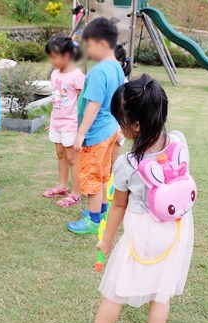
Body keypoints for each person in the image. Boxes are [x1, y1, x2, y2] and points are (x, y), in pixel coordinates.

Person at [64, 75, 195, 323]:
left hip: (143, 235)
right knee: (161, 291)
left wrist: (107, 239)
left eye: (121, 123)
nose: (120, 129)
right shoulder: (178, 141)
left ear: (135, 126)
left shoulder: (127, 164)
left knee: (115, 289)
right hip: (176, 230)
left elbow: (118, 206)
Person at [67, 18, 125, 234]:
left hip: (96, 132)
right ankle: (101, 210)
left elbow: (93, 105)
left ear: (101, 44)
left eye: (88, 45)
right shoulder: (117, 68)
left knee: (91, 176)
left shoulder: (99, 72)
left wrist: (81, 133)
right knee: (102, 174)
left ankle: (93, 221)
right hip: (110, 129)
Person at [43, 35, 86, 208]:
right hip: (57, 123)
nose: (51, 61)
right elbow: (57, 101)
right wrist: (52, 122)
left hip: (71, 124)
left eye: (54, 57)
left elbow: (85, 101)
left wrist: (82, 128)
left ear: (67, 56)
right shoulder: (54, 74)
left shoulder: (77, 76)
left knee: (72, 158)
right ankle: (62, 186)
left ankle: (76, 193)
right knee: (60, 155)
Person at [111, 44, 132, 166]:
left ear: (121, 63)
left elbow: (128, 111)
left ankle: (111, 185)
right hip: (104, 127)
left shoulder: (124, 85)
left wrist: (122, 132)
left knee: (112, 163)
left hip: (117, 129)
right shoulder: (106, 79)